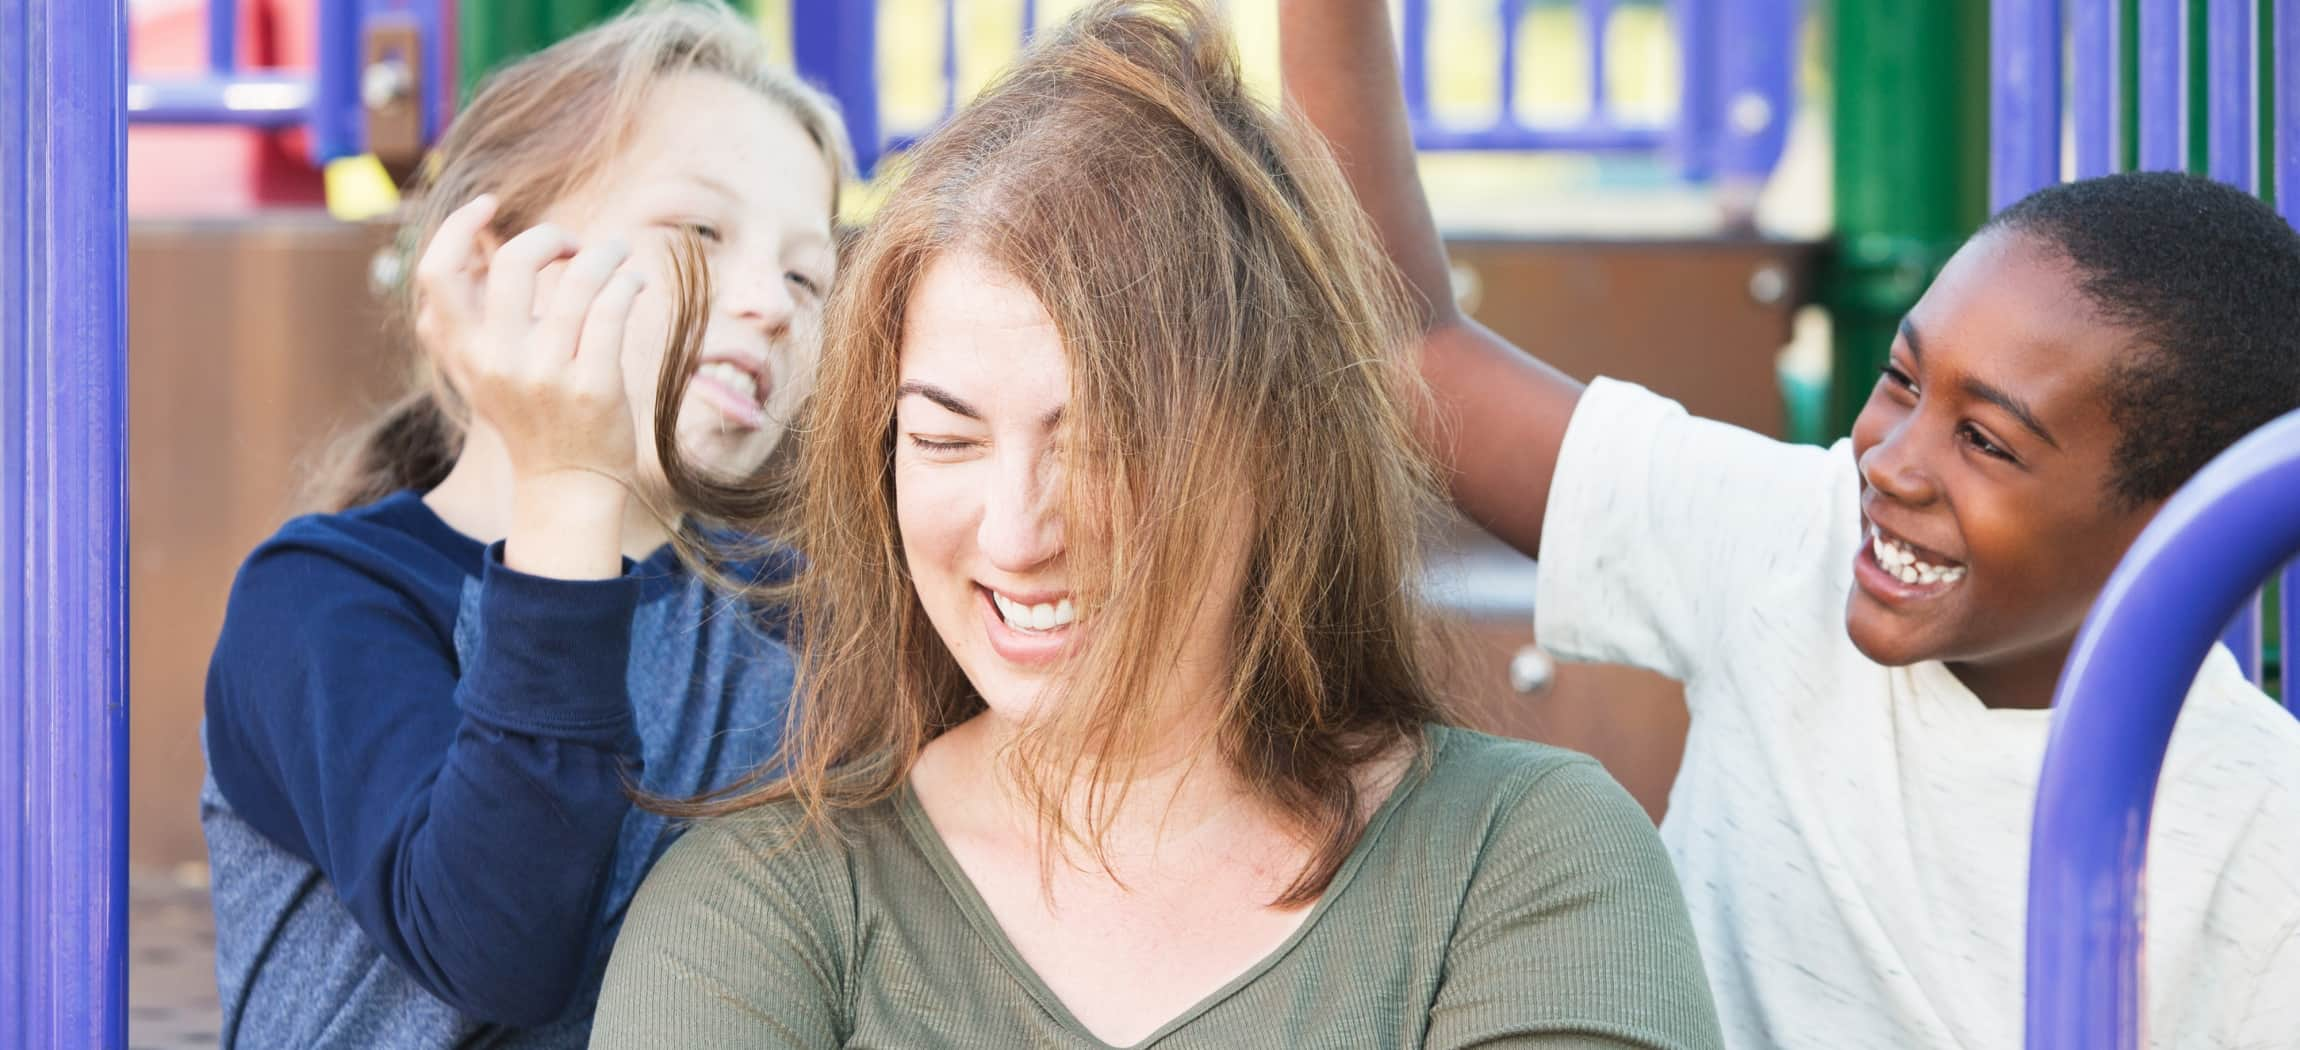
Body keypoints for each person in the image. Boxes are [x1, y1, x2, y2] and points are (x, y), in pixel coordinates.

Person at [588, 3, 1723, 1047]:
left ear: (1277, 447)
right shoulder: (757, 912)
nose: (1016, 530)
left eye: (1102, 442)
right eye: (944, 439)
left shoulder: (1523, 860)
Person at [1279, 2, 2300, 1046]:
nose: (1889, 463)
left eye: (1986, 442)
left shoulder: (2264, 843)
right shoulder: (1792, 540)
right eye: (1900, 380)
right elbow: (1402, 351)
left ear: (2179, 523)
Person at [198, 2, 852, 1045]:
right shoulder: (321, 598)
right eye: (699, 230)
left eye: (805, 274)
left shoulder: (793, 610)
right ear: (498, 260)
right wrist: (569, 484)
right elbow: (492, 945)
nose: (772, 304)